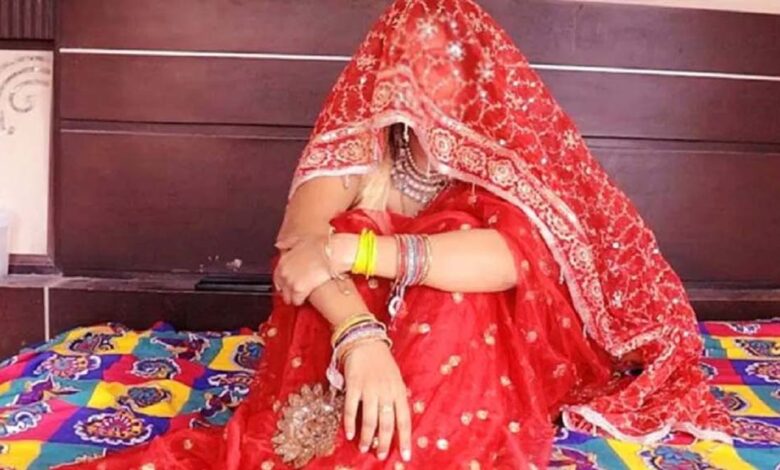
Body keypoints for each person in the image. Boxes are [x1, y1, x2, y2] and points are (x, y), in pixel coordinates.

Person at [67, 0, 732, 468]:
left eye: (447, 66)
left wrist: (356, 250)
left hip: (460, 345)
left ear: (477, 75)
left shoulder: (499, 158)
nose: (429, 82)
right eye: (414, 63)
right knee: (344, 248)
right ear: (386, 70)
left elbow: (509, 260)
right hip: (351, 353)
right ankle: (362, 421)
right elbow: (298, 247)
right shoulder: (363, 147)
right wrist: (361, 337)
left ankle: (409, 433)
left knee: (448, 270)